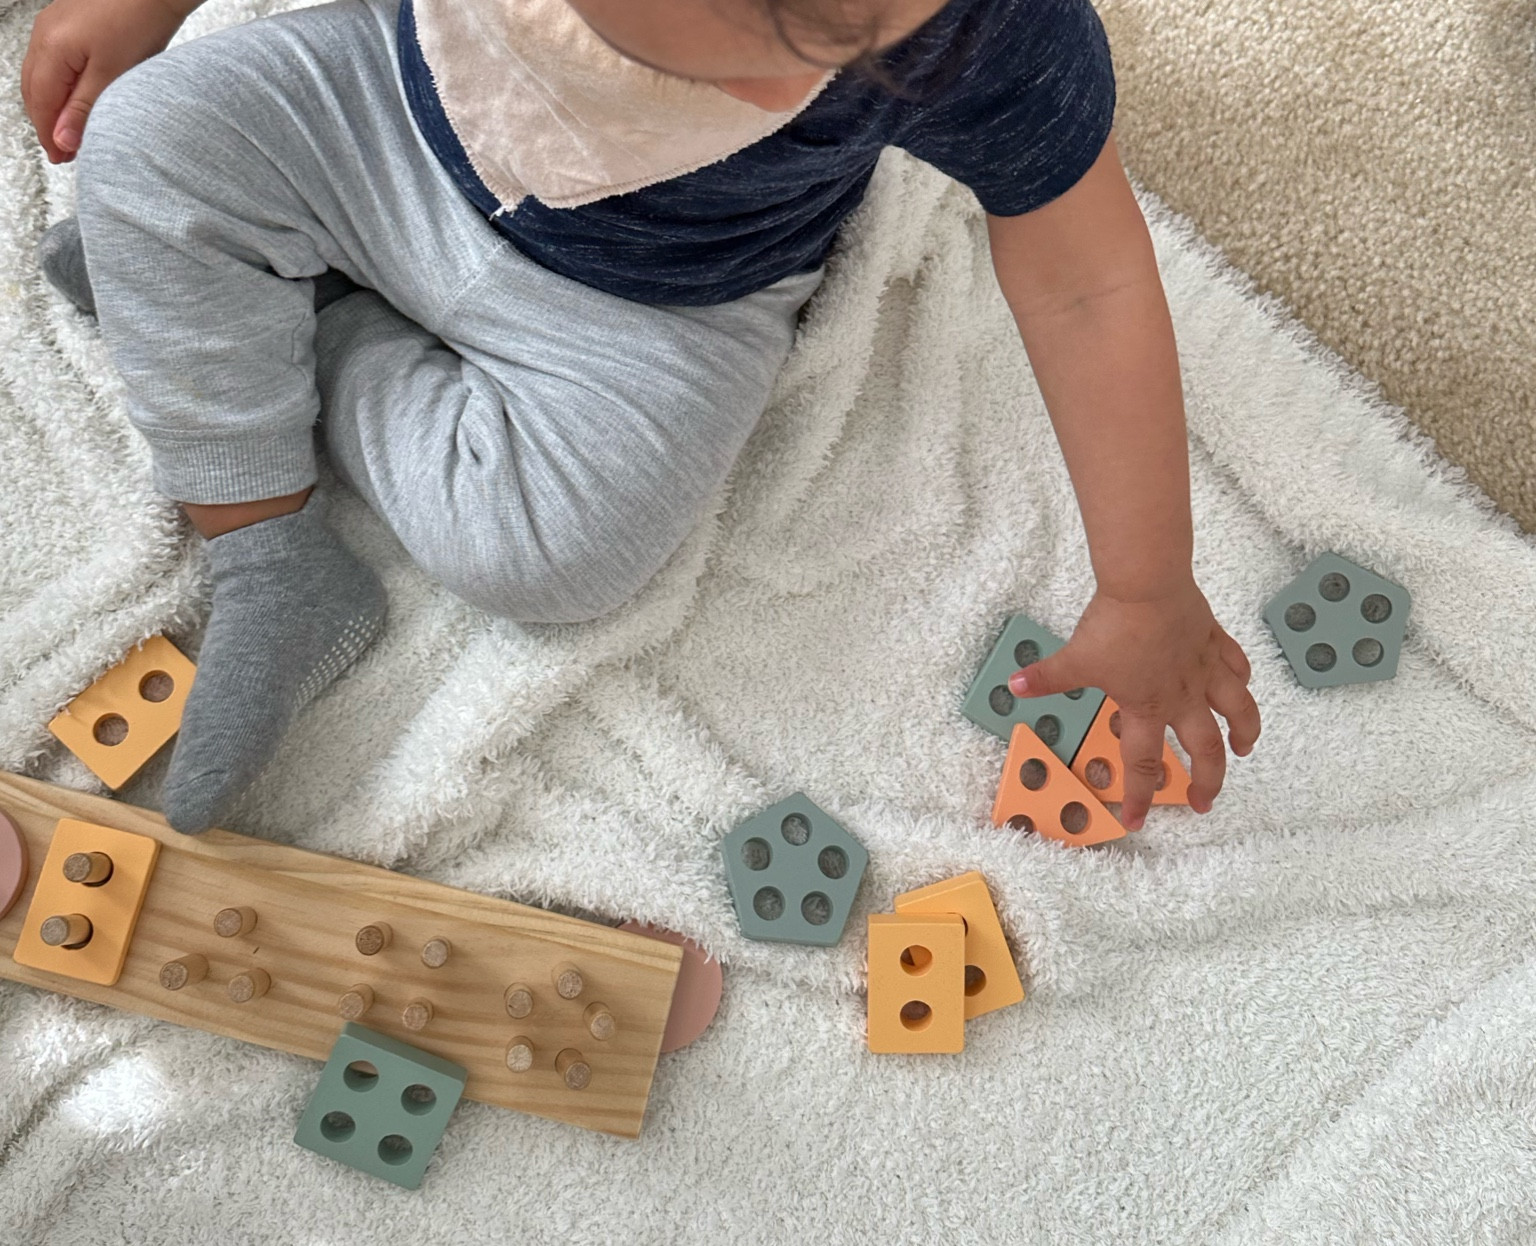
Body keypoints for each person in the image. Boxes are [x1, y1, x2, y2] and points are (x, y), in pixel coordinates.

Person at [20, 0, 1260, 833]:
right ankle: (266, 547)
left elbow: (1087, 277)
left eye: (820, 44)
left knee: (560, 554)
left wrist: (1146, 585)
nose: (760, 80)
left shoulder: (987, 32)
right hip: (388, 124)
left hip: (667, 297)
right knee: (144, 138)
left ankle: (306, 324)